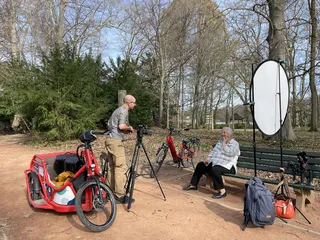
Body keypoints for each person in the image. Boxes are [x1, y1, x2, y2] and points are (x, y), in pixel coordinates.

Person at [183, 127, 240, 199]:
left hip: (228, 166)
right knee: (201, 165)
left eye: (224, 133)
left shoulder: (234, 144)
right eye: (222, 132)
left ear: (229, 134)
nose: (222, 134)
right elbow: (213, 152)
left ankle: (222, 191)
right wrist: (208, 158)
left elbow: (230, 153)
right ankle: (193, 185)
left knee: (215, 169)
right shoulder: (220, 142)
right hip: (216, 163)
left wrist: (224, 145)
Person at [105, 94, 136, 204]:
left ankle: (108, 192)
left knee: (111, 166)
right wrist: (129, 128)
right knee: (120, 167)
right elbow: (121, 126)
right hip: (116, 142)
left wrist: (123, 131)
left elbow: (110, 124)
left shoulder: (117, 110)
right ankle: (119, 195)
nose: (135, 105)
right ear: (129, 102)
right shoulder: (124, 110)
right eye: (134, 103)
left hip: (110, 140)